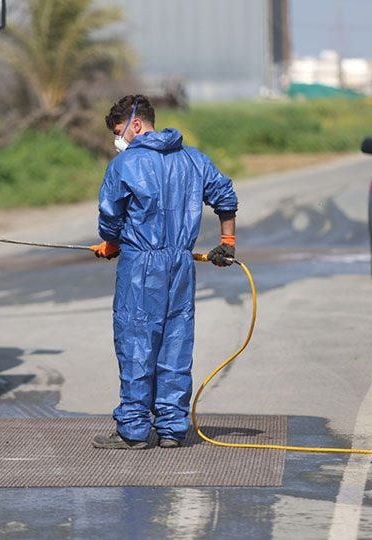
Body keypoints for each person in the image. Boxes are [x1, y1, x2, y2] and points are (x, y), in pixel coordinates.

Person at [90, 95, 238, 450]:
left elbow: (109, 218)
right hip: (181, 266)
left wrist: (111, 243)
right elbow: (225, 196)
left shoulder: (126, 165)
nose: (119, 139)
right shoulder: (194, 159)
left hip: (142, 266)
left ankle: (134, 429)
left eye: (119, 131)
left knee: (137, 342)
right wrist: (227, 242)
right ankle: (172, 427)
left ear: (135, 124)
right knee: (176, 340)